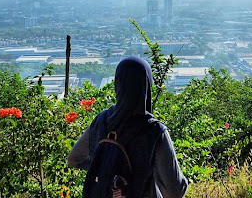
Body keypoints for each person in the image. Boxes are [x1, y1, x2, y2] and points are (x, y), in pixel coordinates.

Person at [68, 56, 188, 198]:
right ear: (146, 86)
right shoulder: (154, 131)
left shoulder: (102, 120)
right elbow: (174, 191)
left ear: (118, 84)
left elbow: (74, 159)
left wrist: (106, 169)